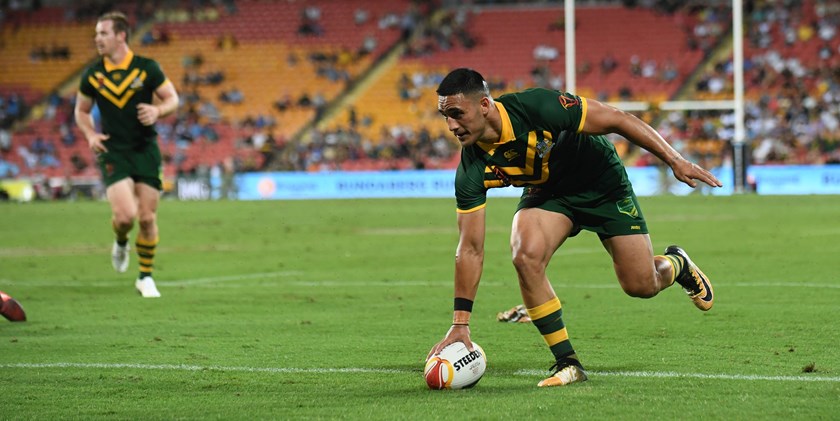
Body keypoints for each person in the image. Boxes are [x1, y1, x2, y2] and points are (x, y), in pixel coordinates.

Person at [427, 68, 721, 387]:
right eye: (446, 116)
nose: (451, 125)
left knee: (641, 285)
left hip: (600, 182)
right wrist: (461, 323)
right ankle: (568, 362)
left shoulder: (538, 107)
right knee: (526, 255)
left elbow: (617, 119)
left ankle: (677, 264)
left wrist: (674, 159)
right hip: (549, 193)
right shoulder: (471, 168)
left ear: (484, 105)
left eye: (457, 113)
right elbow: (470, 248)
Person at [74, 12, 180, 298]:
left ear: (121, 35)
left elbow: (172, 98)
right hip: (114, 151)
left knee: (147, 218)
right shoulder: (93, 74)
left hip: (145, 149)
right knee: (125, 217)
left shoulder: (147, 68)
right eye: (97, 33)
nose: (98, 39)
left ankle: (145, 277)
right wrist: (91, 134)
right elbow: (81, 111)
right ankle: (121, 241)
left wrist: (157, 110)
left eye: (104, 33)